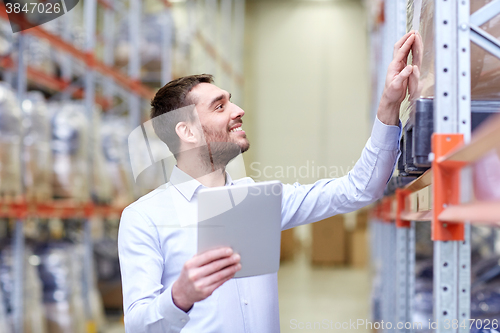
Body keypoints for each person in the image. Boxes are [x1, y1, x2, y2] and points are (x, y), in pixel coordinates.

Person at [118, 31, 418, 333]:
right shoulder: (144, 218)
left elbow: (359, 189)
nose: (238, 111)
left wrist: (389, 105)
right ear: (187, 132)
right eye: (220, 106)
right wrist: (179, 297)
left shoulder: (259, 201)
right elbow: (138, 323)